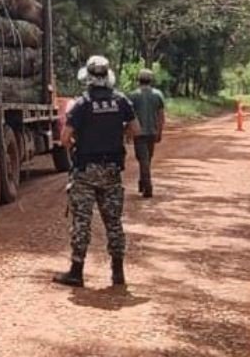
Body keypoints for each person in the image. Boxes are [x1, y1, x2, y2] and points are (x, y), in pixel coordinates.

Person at [53, 54, 140, 289]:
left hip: (86, 171)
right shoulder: (121, 101)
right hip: (112, 170)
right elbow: (136, 130)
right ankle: (118, 273)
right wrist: (117, 135)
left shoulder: (82, 104)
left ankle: (76, 272)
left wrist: (79, 144)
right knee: (113, 221)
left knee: (82, 221)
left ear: (88, 77)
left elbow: (64, 139)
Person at [129, 68, 166, 198]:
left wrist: (128, 132)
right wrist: (160, 131)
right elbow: (161, 116)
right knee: (147, 158)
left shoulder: (133, 95)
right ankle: (143, 182)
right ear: (151, 80)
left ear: (138, 80)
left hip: (138, 133)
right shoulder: (158, 95)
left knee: (143, 159)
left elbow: (129, 116)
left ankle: (147, 185)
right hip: (152, 131)